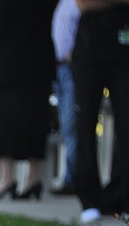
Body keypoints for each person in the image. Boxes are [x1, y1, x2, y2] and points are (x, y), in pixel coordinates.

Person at [0, 0, 59, 201]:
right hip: (40, 63)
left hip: (10, 64)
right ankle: (33, 177)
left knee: (4, 119)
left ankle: (6, 177)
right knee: (35, 118)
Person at [72, 0, 129, 223]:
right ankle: (89, 199)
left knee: (126, 124)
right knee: (85, 123)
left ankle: (120, 196)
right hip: (90, 47)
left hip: (123, 46)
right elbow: (84, 4)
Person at [50, 0, 81, 196]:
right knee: (65, 125)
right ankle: (70, 176)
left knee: (71, 125)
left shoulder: (80, 3)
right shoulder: (61, 3)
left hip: (71, 69)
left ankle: (72, 179)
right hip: (58, 68)